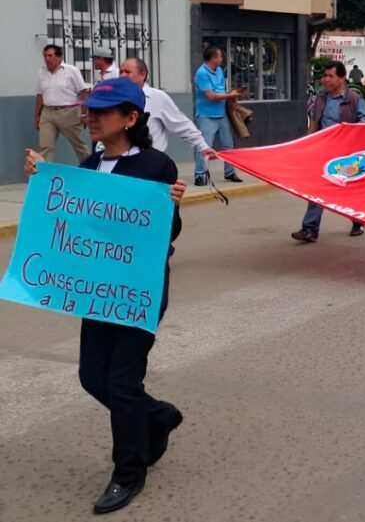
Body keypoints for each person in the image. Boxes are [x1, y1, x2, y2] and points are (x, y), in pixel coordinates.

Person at [25, 77, 187, 514]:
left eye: (101, 111)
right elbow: (73, 217)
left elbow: (167, 234)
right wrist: (42, 180)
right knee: (93, 378)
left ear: (131, 119)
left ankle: (128, 472)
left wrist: (169, 205)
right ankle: (157, 416)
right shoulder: (92, 162)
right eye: (89, 110)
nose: (89, 117)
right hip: (98, 290)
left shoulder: (157, 166)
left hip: (140, 291)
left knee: (121, 380)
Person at [292, 62, 365, 243]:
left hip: (347, 154)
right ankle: (310, 229)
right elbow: (314, 122)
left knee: (348, 191)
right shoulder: (320, 98)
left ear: (341, 78)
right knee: (317, 189)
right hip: (324, 150)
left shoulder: (354, 98)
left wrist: (347, 131)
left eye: (330, 76)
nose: (325, 79)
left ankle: (358, 220)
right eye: (324, 75)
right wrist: (306, 143)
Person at [118, 58, 216, 160]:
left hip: (150, 161)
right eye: (121, 72)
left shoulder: (157, 97)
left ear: (142, 74)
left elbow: (181, 124)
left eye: (127, 72)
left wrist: (202, 146)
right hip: (121, 161)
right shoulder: (115, 99)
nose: (122, 76)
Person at [193, 46, 242, 186]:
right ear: (214, 58)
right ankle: (200, 175)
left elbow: (220, 90)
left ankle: (230, 172)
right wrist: (229, 96)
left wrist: (231, 100)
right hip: (206, 115)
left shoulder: (219, 71)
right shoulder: (202, 73)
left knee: (228, 145)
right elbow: (210, 95)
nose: (221, 59)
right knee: (204, 146)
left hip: (221, 114)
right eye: (220, 56)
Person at [35, 44, 90, 163]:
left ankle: (90, 169)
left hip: (68, 112)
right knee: (46, 147)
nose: (47, 59)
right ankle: (44, 175)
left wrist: (84, 114)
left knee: (79, 145)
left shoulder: (72, 71)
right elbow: (40, 95)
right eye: (45, 56)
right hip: (47, 112)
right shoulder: (41, 71)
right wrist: (37, 116)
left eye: (50, 56)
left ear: (60, 57)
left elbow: (83, 93)